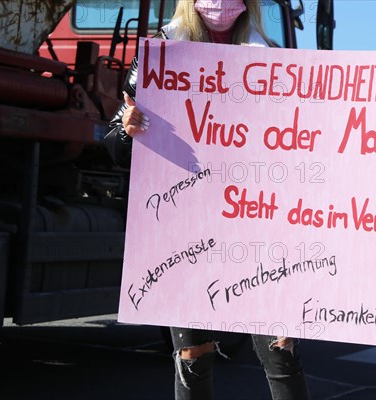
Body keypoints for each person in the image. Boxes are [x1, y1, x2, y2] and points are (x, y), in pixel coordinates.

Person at [104, 1, 310, 399]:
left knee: (281, 347)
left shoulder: (275, 60)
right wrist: (127, 130)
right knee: (193, 355)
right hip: (188, 230)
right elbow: (113, 145)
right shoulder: (161, 52)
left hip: (259, 227)